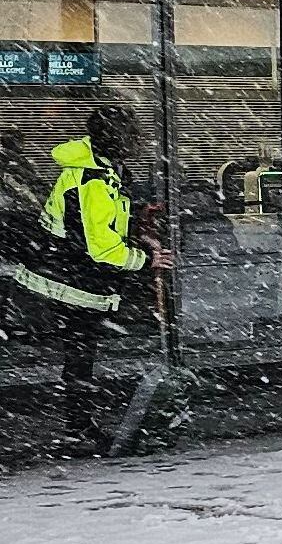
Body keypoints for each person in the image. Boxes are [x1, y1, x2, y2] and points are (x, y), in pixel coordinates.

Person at [0, 103, 167, 458]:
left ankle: (79, 428)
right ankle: (78, 429)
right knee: (76, 356)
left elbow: (107, 223)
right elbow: (99, 245)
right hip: (62, 281)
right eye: (132, 133)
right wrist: (144, 258)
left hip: (66, 276)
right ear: (118, 139)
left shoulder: (105, 170)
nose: (138, 139)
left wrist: (138, 237)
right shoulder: (92, 178)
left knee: (78, 356)